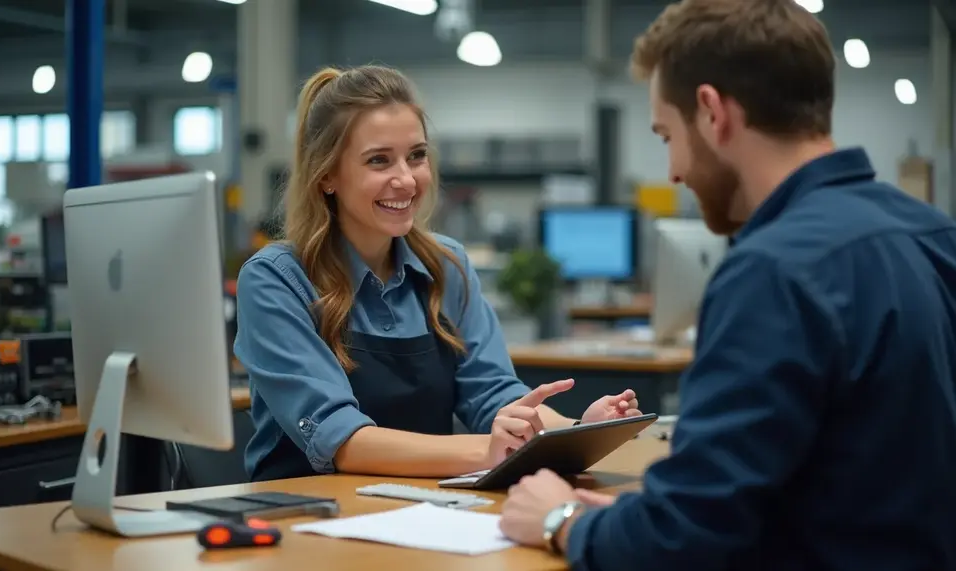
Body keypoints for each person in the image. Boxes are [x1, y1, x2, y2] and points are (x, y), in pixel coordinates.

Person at [498, 1, 956, 570]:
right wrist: (649, 510)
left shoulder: (775, 269)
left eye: (667, 135)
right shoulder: (933, 233)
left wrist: (560, 519)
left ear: (713, 113)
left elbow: (681, 544)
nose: (672, 172)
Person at [234, 64, 643, 482]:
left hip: (419, 514)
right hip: (299, 523)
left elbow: (494, 396)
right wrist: (487, 451)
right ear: (327, 177)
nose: (407, 179)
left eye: (417, 155)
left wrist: (581, 432)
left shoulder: (448, 266)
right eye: (379, 160)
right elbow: (342, 441)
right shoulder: (276, 281)